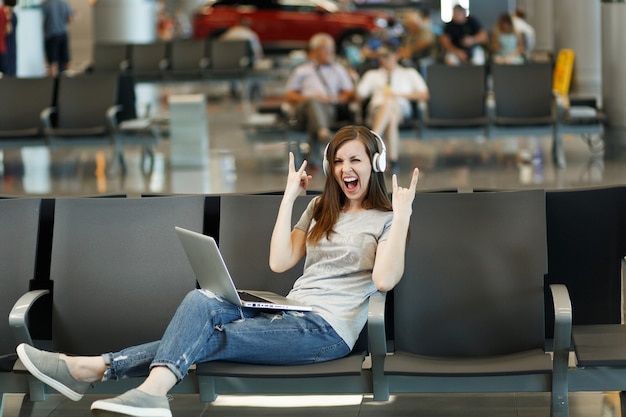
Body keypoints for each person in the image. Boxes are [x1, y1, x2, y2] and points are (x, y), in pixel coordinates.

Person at [16, 125, 419, 417]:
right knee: (202, 300)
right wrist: (289, 198)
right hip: (289, 311)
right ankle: (114, 379)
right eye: (338, 161)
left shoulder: (386, 219)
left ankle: (99, 371)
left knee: (207, 333)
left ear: (374, 164)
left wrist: (401, 217)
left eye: (356, 160)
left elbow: (383, 280)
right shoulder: (320, 209)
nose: (346, 169)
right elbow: (280, 261)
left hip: (326, 332)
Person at [284, 33, 355, 169]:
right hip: (303, 110)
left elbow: (349, 93)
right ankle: (323, 134)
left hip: (329, 109)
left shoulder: (338, 70)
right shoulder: (302, 70)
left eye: (332, 48)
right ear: (315, 51)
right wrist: (308, 98)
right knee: (313, 103)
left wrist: (334, 98)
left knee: (316, 115)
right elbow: (289, 95)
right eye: (326, 48)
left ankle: (317, 148)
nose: (330, 52)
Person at [356, 42, 429, 173]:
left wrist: (397, 94)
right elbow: (360, 95)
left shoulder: (409, 73)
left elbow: (424, 94)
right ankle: (392, 161)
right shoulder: (372, 75)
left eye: (386, 56)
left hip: (402, 108)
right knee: (391, 117)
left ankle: (372, 140)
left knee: (391, 103)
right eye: (380, 56)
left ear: (396, 55)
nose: (383, 59)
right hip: (376, 111)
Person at [41, 0, 74, 77]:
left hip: (51, 35)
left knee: (53, 61)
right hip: (63, 34)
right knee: (65, 60)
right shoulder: (64, 3)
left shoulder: (46, 4)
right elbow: (70, 19)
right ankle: (64, 82)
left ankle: (54, 83)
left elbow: (39, 17)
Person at [2, 0, 16, 76]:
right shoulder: (12, 14)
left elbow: (8, 30)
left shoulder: (8, 14)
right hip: (7, 44)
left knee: (8, 66)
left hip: (6, 45)